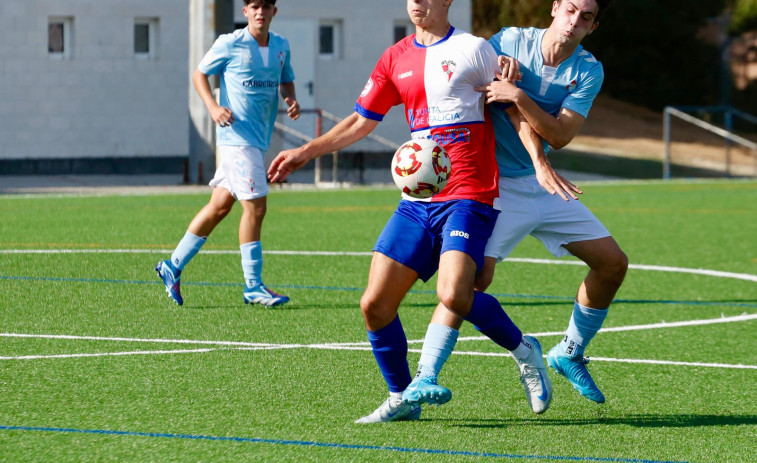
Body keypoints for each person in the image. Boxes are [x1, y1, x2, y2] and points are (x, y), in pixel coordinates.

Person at [268, 0, 551, 423]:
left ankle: (526, 351)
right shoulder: (394, 58)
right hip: (417, 201)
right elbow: (362, 121)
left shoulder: (475, 50)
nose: (417, 2)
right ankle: (401, 396)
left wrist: (540, 164)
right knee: (374, 305)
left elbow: (513, 109)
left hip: (469, 194)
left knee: (454, 294)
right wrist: (306, 151)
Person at [407, 0, 627, 406]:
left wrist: (519, 95)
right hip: (495, 185)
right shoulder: (509, 41)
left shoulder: (587, 70)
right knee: (470, 281)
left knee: (612, 263)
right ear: (555, 9)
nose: (574, 22)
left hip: (544, 184)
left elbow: (561, 135)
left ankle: (569, 352)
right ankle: (425, 375)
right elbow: (495, 100)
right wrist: (511, 94)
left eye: (586, 18)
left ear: (593, 27)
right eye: (570, 10)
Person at [155, 0, 300, 307]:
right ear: (245, 11)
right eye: (254, 6)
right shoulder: (230, 43)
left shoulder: (281, 46)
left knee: (219, 207)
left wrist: (291, 99)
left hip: (256, 139)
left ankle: (172, 265)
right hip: (236, 139)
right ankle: (253, 286)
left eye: (267, 6)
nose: (261, 12)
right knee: (256, 208)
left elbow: (286, 79)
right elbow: (199, 74)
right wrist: (213, 107)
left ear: (275, 11)